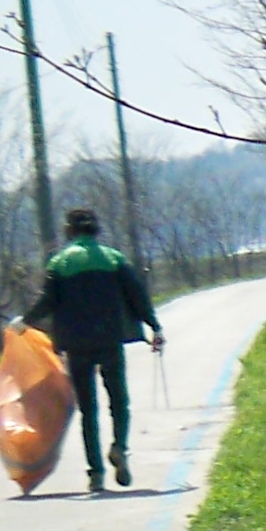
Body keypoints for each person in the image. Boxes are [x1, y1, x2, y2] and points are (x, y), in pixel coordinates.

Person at [27, 206, 162, 494]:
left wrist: (23, 322)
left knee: (88, 409)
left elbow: (46, 303)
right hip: (110, 339)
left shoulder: (60, 263)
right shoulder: (113, 259)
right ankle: (120, 448)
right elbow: (137, 295)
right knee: (119, 401)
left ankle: (96, 473)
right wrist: (154, 327)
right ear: (95, 229)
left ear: (69, 230)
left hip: (76, 345)